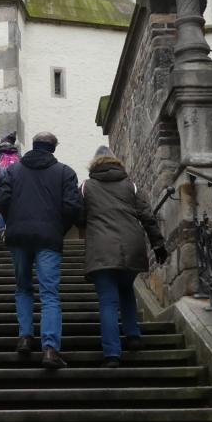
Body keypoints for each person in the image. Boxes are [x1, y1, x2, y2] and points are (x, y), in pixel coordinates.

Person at [0, 131, 83, 369]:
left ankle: (25, 336)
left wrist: (12, 222)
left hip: (18, 236)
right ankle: (50, 349)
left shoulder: (13, 171)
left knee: (23, 287)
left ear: (33, 146)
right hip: (49, 238)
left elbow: (2, 199)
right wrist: (58, 228)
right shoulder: (65, 172)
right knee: (49, 294)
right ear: (53, 148)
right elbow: (72, 206)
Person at [78, 145, 168, 367]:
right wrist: (158, 244)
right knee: (126, 289)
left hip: (101, 248)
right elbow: (147, 216)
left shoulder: (86, 187)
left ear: (93, 164)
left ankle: (112, 353)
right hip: (131, 246)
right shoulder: (131, 185)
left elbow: (79, 217)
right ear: (116, 162)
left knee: (108, 300)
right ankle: (133, 335)